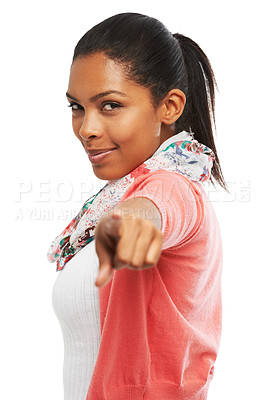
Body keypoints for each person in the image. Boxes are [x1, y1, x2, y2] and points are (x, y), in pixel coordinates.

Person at [48, 12, 227, 400]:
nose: (86, 129)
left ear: (169, 107)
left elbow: (161, 206)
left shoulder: (174, 183)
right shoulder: (118, 196)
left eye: (109, 105)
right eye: (76, 107)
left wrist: (138, 219)